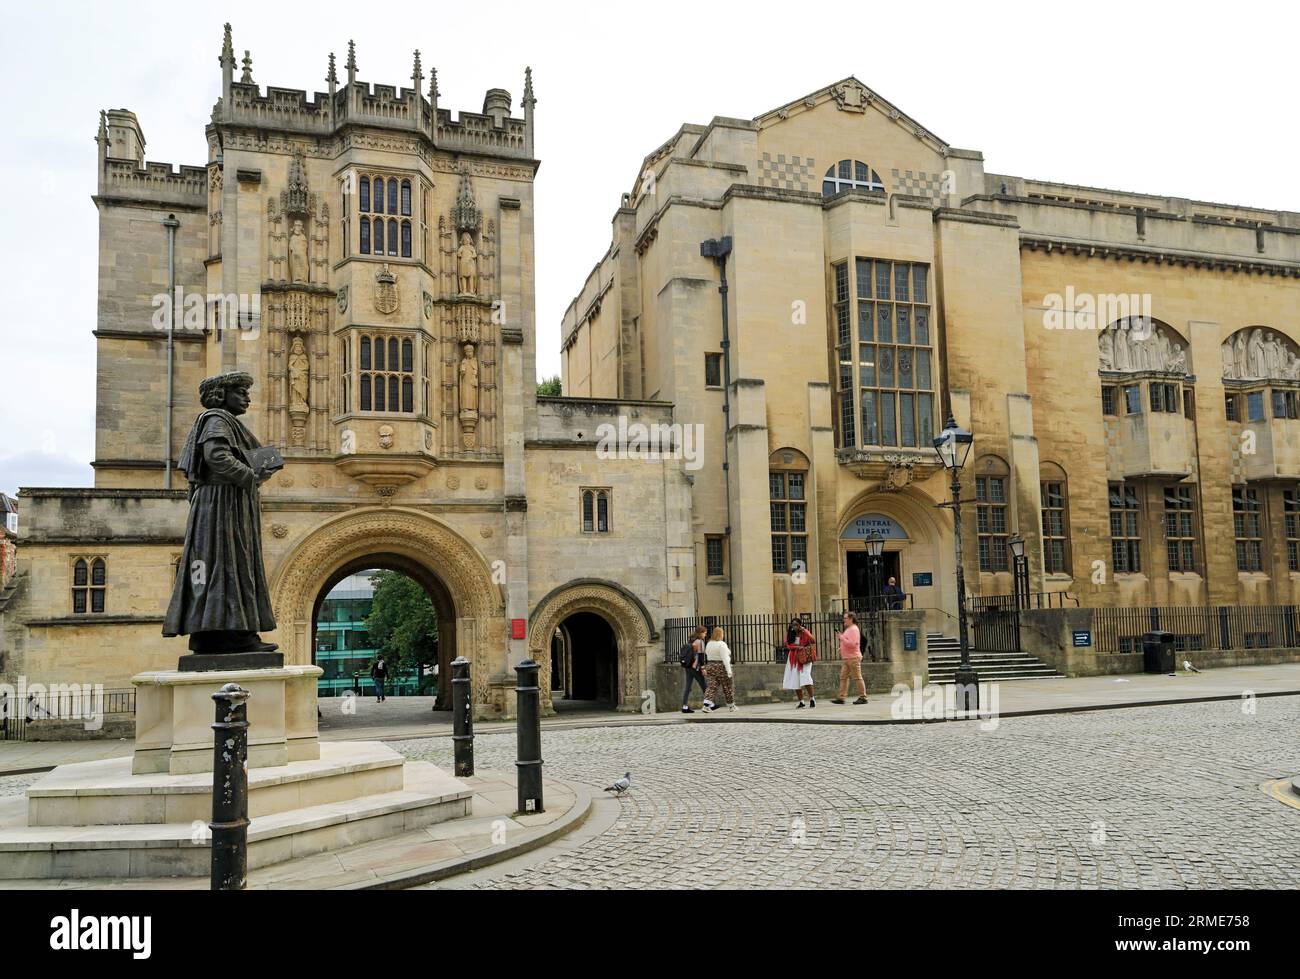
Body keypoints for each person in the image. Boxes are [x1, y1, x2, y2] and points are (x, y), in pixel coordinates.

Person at [830, 612, 868, 705]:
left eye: (845, 618)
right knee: (843, 677)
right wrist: (842, 647)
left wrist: (841, 637)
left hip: (853, 658)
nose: (844, 620)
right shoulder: (850, 629)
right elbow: (849, 642)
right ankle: (841, 697)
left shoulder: (853, 629)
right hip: (848, 658)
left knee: (857, 677)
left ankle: (863, 697)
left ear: (851, 619)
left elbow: (853, 643)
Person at [701, 627, 738, 713]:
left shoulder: (709, 643)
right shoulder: (722, 644)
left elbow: (707, 653)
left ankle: (706, 705)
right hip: (721, 667)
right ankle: (731, 706)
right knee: (728, 687)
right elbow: (725, 658)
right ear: (721, 634)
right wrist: (729, 671)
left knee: (711, 686)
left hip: (710, 666)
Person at [783, 617, 817, 709]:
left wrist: (805, 631)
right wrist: (797, 647)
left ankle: (812, 698)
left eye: (796, 625)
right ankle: (801, 701)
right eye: (793, 625)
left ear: (800, 625)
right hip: (794, 659)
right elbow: (788, 645)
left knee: (805, 677)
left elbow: (813, 640)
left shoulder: (804, 632)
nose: (794, 627)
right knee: (795, 679)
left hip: (805, 657)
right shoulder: (790, 634)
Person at [680, 625, 709, 713]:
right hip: (695, 667)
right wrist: (703, 668)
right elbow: (700, 656)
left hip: (688, 666)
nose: (705, 635)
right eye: (704, 633)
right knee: (704, 686)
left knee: (687, 687)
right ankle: (708, 704)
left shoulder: (691, 640)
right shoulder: (700, 642)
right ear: (700, 633)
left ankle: (684, 706)